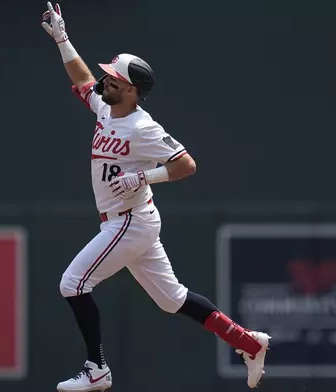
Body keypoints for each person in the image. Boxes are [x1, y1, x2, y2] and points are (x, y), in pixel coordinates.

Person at [41, 2, 270, 391]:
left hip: (130, 220)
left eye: (114, 79)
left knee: (73, 283)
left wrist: (144, 176)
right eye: (108, 76)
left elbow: (186, 164)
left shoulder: (143, 127)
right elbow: (82, 79)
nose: (105, 81)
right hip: (129, 219)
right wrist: (62, 38)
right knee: (172, 299)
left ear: (132, 90)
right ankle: (248, 342)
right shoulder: (106, 109)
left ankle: (96, 369)